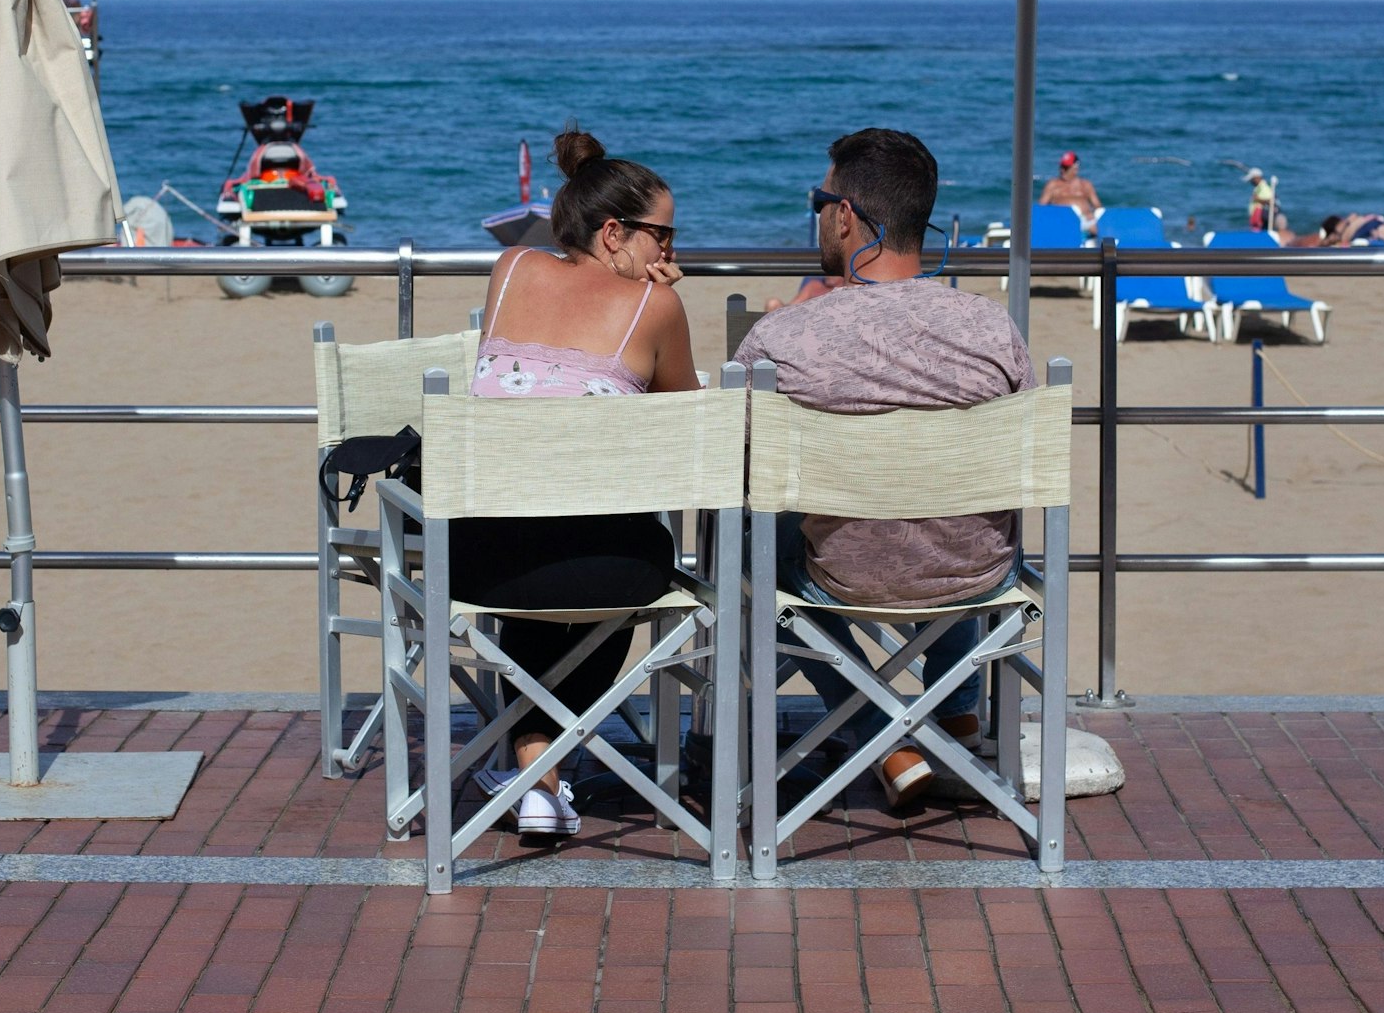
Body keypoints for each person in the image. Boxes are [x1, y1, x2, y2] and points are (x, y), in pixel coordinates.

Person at [734, 128, 1034, 807]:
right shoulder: (993, 332)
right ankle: (955, 711)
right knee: (957, 501)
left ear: (845, 215)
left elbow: (737, 457)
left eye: (819, 199)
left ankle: (882, 737)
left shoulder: (784, 338)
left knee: (762, 547)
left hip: (845, 578)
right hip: (977, 578)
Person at [464, 126, 696, 838]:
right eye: (664, 234)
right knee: (641, 562)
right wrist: (663, 307)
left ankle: (535, 768)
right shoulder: (655, 306)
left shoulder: (509, 269)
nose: (672, 252)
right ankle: (544, 769)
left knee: (538, 547)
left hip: (477, 563)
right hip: (602, 573)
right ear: (616, 231)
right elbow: (688, 424)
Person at [1038, 151, 1099, 232]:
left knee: (1095, 228)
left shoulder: (1085, 185)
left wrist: (1092, 215)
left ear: (1075, 168)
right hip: (1061, 222)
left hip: (1084, 221)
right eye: (1062, 167)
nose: (1062, 170)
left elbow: (1098, 208)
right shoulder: (1052, 185)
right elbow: (1041, 208)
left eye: (1066, 168)